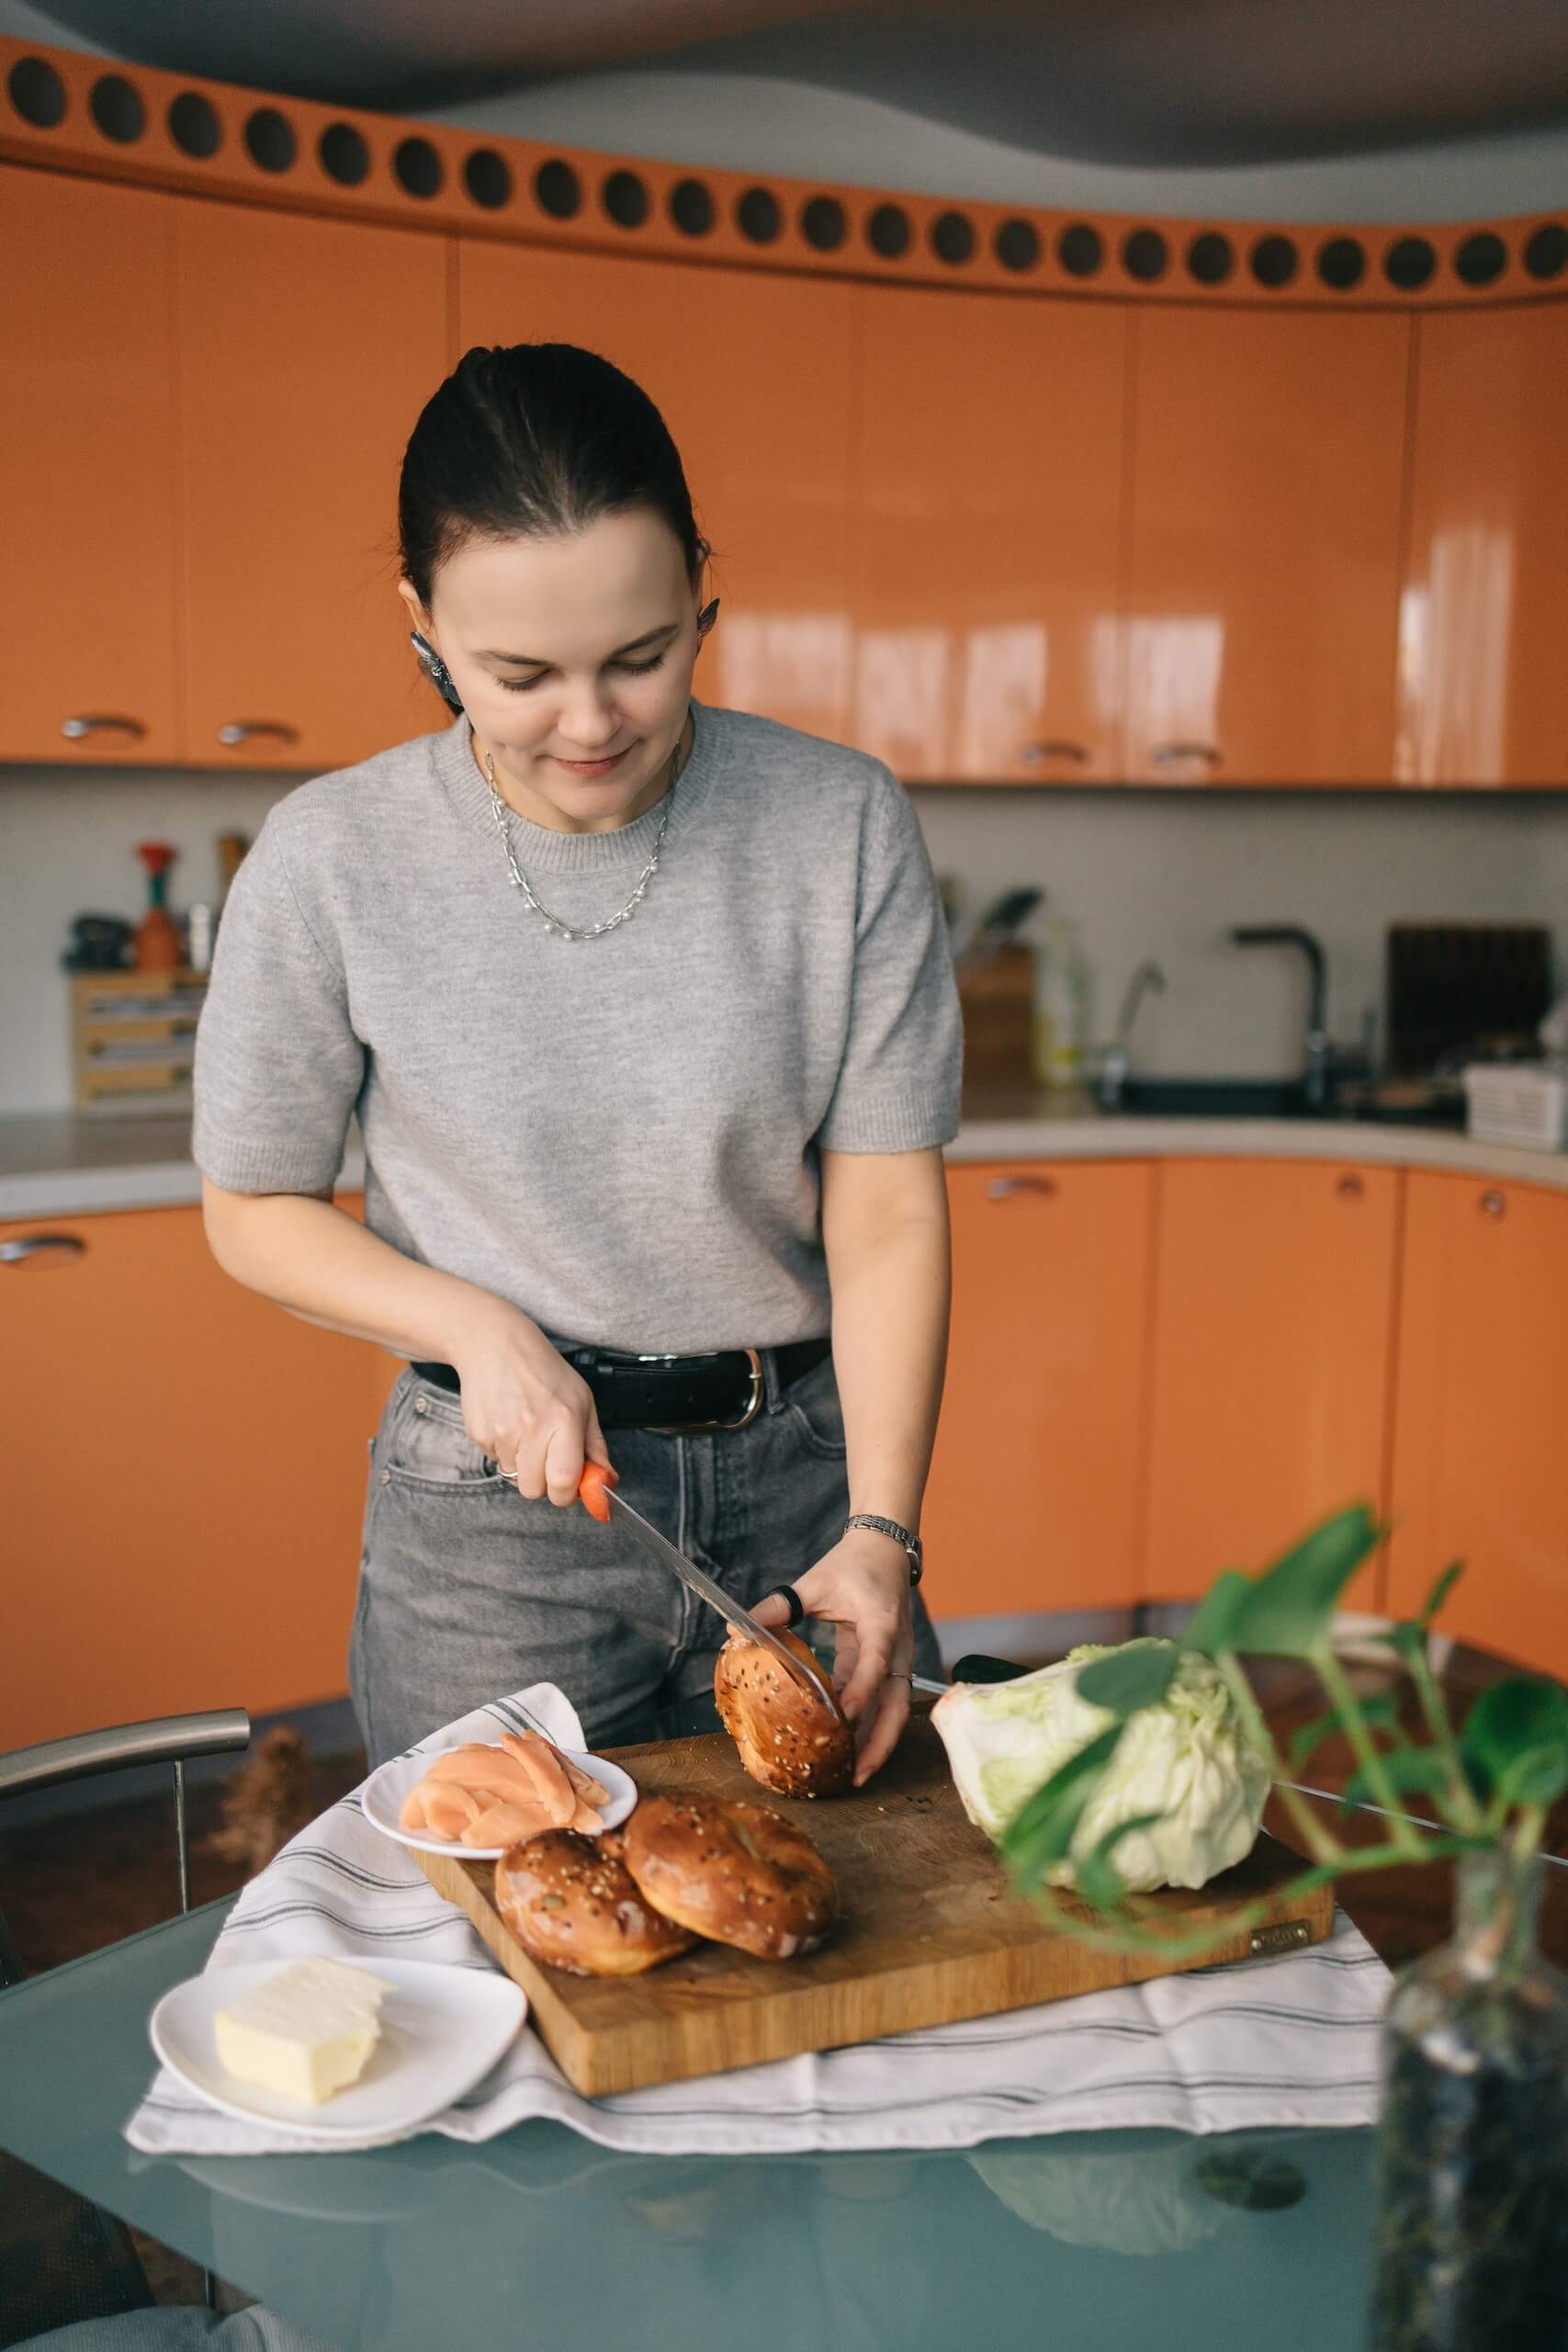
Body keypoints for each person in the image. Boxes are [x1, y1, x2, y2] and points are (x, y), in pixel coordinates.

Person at [194, 343, 962, 1783]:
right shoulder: (330, 857)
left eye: (643, 657)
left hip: (807, 1493)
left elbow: (888, 1210)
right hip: (493, 1535)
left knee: (839, 1942)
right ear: (421, 627)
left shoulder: (839, 825)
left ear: (700, 598)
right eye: (520, 676)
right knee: (498, 1963)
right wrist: (478, 1329)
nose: (593, 723)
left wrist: (882, 1530)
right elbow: (253, 1210)